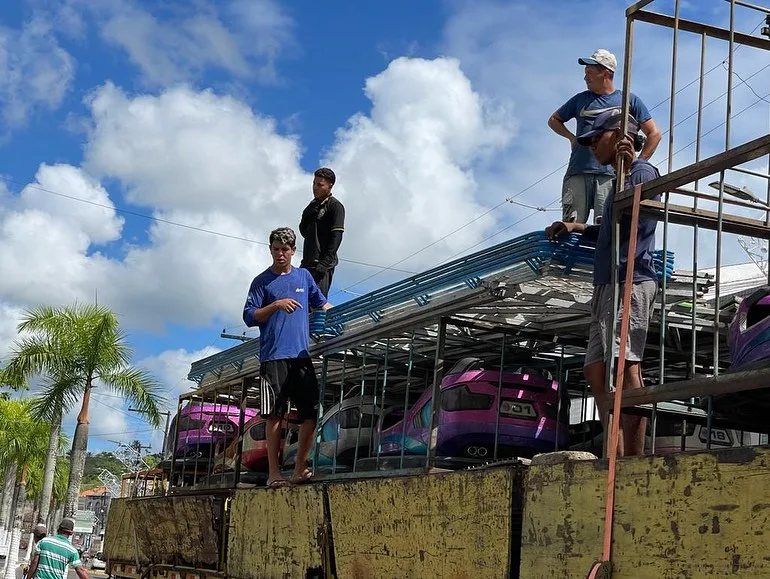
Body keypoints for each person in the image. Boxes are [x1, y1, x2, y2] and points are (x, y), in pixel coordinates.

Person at [545, 109, 661, 457]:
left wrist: (631, 166)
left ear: (619, 135)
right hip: (607, 281)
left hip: (630, 278)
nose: (592, 146)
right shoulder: (617, 180)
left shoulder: (640, 171)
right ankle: (614, 451)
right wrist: (577, 227)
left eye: (597, 138)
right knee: (596, 366)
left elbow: (642, 219)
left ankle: (633, 458)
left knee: (623, 363)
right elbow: (611, 230)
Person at [243, 227, 332, 488]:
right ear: (270, 250)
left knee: (311, 412)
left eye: (285, 249)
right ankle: (274, 473)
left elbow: (322, 303)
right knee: (274, 415)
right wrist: (276, 305)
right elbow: (249, 316)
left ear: (293, 251)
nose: (281, 254)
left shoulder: (304, 277)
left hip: (301, 356)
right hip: (273, 357)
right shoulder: (261, 282)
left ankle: (300, 466)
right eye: (276, 249)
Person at [548, 48, 661, 225]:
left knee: (607, 225)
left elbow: (654, 134)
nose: (585, 77)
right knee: (571, 224)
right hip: (579, 170)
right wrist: (572, 138)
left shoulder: (629, 100)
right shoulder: (580, 100)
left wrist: (637, 163)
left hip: (611, 176)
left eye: (590, 72)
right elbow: (554, 119)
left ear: (606, 73)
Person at [299, 167, 345, 297]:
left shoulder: (335, 206)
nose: (315, 188)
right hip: (307, 263)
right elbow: (304, 232)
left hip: (322, 265)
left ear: (330, 186)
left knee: (315, 304)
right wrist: (308, 214)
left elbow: (337, 237)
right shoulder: (312, 205)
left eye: (320, 185)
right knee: (299, 300)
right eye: (314, 183)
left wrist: (324, 263)